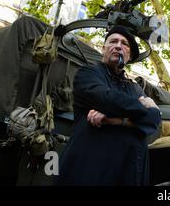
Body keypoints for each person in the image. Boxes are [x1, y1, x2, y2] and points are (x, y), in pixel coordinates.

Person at [56, 26, 161, 185]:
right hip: (90, 172)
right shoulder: (88, 74)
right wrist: (146, 105)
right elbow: (107, 99)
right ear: (103, 49)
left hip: (126, 173)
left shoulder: (134, 87)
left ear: (129, 55)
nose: (118, 45)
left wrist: (117, 120)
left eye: (124, 44)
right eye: (113, 41)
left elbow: (154, 119)